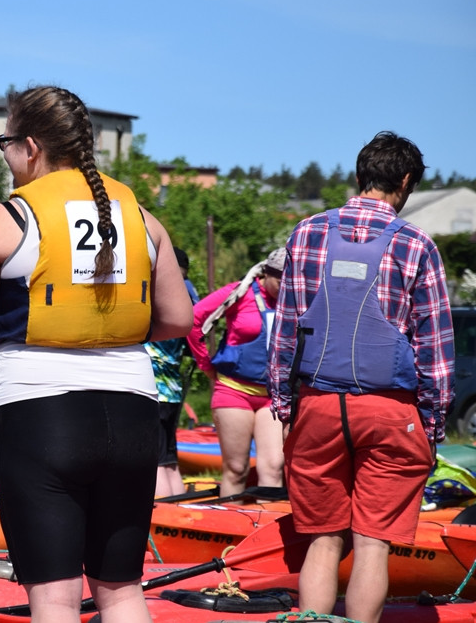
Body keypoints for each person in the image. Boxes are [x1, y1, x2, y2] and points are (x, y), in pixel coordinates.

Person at [0, 85, 193, 622]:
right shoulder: (141, 216)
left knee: (55, 597)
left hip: (41, 415)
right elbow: (177, 319)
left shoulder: (5, 219)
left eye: (7, 142)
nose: (5, 155)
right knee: (123, 591)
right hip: (131, 413)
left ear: (30, 147)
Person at [268, 131, 454, 623]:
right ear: (407, 180)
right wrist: (433, 427)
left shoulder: (306, 232)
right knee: (373, 543)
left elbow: (285, 333)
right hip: (391, 411)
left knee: (323, 540)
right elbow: (435, 352)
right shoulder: (418, 244)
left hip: (318, 406)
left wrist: (286, 411)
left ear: (359, 175)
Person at [187, 248, 286, 497]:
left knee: (274, 467)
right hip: (234, 392)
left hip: (272, 396)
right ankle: (230, 527)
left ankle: (266, 529)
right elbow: (195, 319)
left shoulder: (295, 300)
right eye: (280, 281)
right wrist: (205, 365)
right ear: (266, 273)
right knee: (236, 468)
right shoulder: (240, 293)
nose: (286, 287)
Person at [146, 247, 200, 496]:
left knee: (153, 459)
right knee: (168, 456)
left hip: (153, 388)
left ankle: (162, 519)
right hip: (173, 389)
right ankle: (178, 509)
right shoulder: (188, 295)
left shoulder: (157, 295)